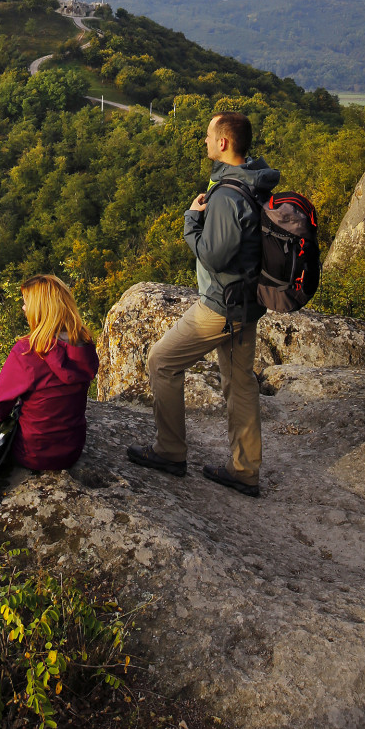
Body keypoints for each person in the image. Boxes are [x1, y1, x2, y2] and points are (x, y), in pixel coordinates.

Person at [126, 112, 280, 497]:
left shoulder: (228, 194)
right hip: (247, 302)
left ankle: (170, 451)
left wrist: (191, 222)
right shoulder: (255, 181)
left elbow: (215, 255)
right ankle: (244, 470)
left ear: (224, 143)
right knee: (240, 383)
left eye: (209, 136)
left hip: (221, 305)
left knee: (161, 361)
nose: (205, 141)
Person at [0, 274, 99, 471]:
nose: (23, 308)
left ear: (40, 309)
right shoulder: (84, 343)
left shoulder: (29, 350)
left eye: (26, 303)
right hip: (70, 451)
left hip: (32, 453)